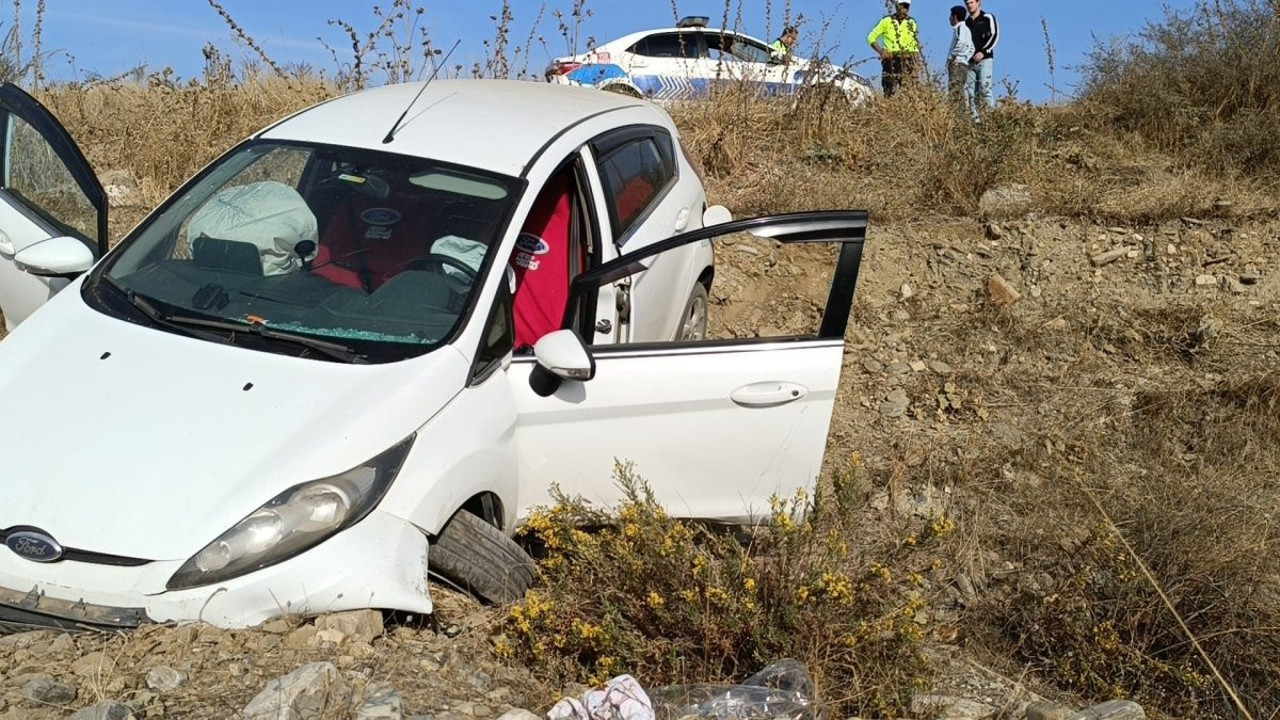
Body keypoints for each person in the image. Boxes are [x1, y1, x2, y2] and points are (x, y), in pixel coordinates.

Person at [867, 1, 921, 98]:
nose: (905, 9)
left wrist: (917, 61)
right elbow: (871, 37)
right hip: (890, 60)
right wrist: (881, 51)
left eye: (907, 6)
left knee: (910, 91)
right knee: (889, 90)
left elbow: (914, 44)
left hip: (908, 61)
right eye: (902, 6)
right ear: (897, 6)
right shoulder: (886, 21)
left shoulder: (912, 22)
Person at [965, 0, 999, 121]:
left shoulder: (987, 17)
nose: (969, 5)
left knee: (985, 89)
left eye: (971, 2)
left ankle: (991, 119)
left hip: (985, 60)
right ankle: (976, 122)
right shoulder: (966, 23)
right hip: (969, 63)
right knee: (970, 93)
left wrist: (983, 52)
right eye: (967, 3)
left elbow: (995, 35)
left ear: (979, 3)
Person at [947, 6, 975, 111]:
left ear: (955, 17)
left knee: (955, 92)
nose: (949, 18)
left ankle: (959, 116)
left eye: (950, 16)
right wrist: (966, 58)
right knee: (959, 90)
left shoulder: (960, 28)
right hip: (963, 65)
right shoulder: (966, 29)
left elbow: (961, 42)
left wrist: (953, 57)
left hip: (957, 64)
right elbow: (972, 48)